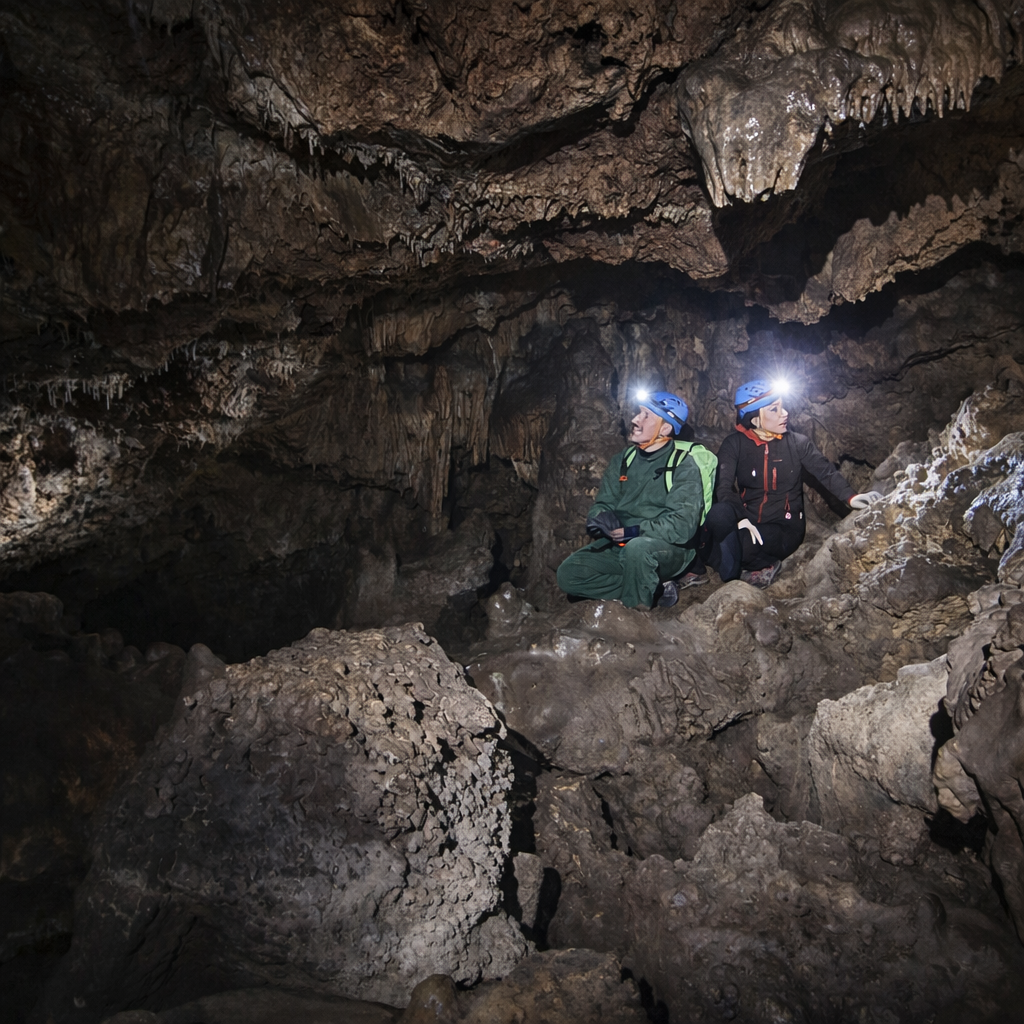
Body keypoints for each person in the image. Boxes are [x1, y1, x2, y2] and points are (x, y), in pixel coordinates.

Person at [687, 379, 881, 589]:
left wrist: (850, 497)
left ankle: (743, 569)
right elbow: (723, 486)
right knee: (711, 523)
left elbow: (825, 472)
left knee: (742, 545)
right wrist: (740, 518)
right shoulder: (734, 445)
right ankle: (735, 565)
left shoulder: (797, 443)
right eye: (774, 409)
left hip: (784, 527)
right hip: (748, 519)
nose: (785, 413)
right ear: (755, 420)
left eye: (782, 406)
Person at [556, 391, 715, 609]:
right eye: (639, 413)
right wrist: (599, 518)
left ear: (665, 428)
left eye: (646, 415)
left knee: (638, 549)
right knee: (569, 574)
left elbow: (683, 525)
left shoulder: (683, 465)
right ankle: (653, 587)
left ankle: (636, 615)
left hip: (668, 550)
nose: (635, 420)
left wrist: (635, 531)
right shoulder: (623, 460)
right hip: (621, 544)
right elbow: (604, 502)